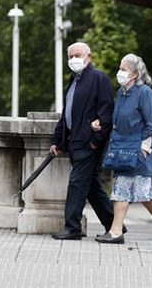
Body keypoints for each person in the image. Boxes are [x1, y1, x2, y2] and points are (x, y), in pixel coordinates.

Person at [94, 53, 152, 245]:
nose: (120, 72)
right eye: (120, 68)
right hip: (123, 150)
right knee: (128, 192)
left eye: (124, 69)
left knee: (138, 193)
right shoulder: (122, 93)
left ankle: (122, 231)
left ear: (135, 74)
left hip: (139, 152)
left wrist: (145, 149)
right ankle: (121, 230)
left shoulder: (145, 93)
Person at [50, 42, 117, 240]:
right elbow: (67, 116)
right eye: (70, 56)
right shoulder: (72, 82)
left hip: (88, 144)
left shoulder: (99, 79)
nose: (73, 60)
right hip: (75, 143)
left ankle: (72, 228)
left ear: (89, 57)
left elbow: (106, 113)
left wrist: (94, 142)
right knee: (92, 188)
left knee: (77, 183)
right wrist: (57, 141)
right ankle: (115, 225)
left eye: (78, 55)